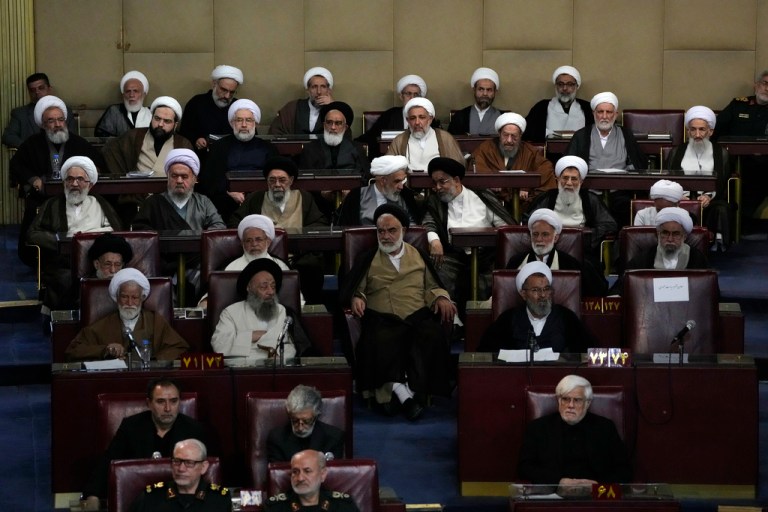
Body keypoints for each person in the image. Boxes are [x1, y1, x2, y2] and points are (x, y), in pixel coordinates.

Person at [340, 204, 457, 420]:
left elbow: (432, 286)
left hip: (416, 316)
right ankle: (406, 396)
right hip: (382, 318)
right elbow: (356, 287)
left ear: (403, 230)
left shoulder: (418, 255)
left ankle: (404, 394)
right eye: (381, 231)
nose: (385, 236)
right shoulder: (368, 258)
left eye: (391, 230)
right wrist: (357, 297)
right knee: (380, 340)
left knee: (431, 335)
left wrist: (441, 297)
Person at [80, 378, 206, 507]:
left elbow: (207, 471)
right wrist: (92, 495)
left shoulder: (194, 430)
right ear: (149, 403)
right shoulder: (131, 427)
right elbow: (108, 463)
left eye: (173, 401)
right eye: (161, 402)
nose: (168, 408)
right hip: (139, 501)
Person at [10, 95, 104, 266]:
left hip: (76, 195)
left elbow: (98, 164)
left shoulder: (78, 143)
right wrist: (33, 179)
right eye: (51, 121)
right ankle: (42, 257)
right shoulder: (32, 144)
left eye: (61, 119)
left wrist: (90, 172)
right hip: (43, 197)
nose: (58, 124)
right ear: (43, 124)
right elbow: (17, 164)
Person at [27, 156, 121, 312]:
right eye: (69, 179)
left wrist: (91, 239)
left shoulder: (101, 204)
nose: (74, 184)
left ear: (90, 185)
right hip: (65, 261)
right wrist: (64, 242)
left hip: (98, 260)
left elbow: (116, 231)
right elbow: (33, 233)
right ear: (64, 183)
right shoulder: (52, 204)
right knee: (65, 279)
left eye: (80, 179)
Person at [230, 156, 328, 303]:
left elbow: (320, 224)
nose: (277, 184)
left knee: (312, 269)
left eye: (282, 180)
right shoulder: (256, 198)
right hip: (262, 257)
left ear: (291, 181)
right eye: (272, 180)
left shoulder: (304, 198)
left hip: (296, 258)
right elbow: (235, 222)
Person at [422, 157, 514, 303]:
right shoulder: (435, 202)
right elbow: (428, 223)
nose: (438, 187)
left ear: (457, 180)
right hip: (454, 257)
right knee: (436, 268)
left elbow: (505, 227)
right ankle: (452, 318)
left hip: (486, 258)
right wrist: (435, 241)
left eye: (442, 181)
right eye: (435, 183)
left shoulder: (482, 196)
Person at [517, 374, 632, 485]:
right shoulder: (538, 428)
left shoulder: (605, 428)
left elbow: (624, 470)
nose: (570, 405)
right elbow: (524, 468)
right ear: (558, 400)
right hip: (553, 495)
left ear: (587, 403)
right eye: (566, 399)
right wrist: (558, 482)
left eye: (577, 400)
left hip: (595, 497)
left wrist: (598, 485)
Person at [65, 268, 189, 361]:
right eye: (124, 297)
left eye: (135, 297)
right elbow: (73, 351)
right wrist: (105, 349)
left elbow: (179, 348)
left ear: (142, 298)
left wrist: (154, 361)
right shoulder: (101, 326)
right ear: (116, 298)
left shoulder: (155, 321)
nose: (129, 303)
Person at [566, 92, 648, 225]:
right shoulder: (581, 136)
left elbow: (638, 164)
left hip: (620, 192)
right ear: (594, 113)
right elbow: (569, 166)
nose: (604, 116)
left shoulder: (626, 135)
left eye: (609, 112)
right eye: (600, 112)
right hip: (588, 192)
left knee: (626, 210)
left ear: (615, 114)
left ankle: (618, 243)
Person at [478, 261, 594, 354]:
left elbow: (591, 352)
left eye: (546, 289)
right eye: (535, 290)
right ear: (523, 294)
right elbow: (485, 354)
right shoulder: (508, 319)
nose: (543, 295)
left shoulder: (567, 318)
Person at [210, 258, 310, 362]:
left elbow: (290, 348)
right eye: (264, 287)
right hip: (243, 372)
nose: (270, 292)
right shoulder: (230, 313)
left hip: (278, 370)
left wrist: (243, 343)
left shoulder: (282, 311)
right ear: (249, 288)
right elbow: (220, 347)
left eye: (273, 286)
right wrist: (251, 336)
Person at [197, 99, 278, 221]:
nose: (244, 125)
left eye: (249, 120)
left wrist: (254, 195)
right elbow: (210, 178)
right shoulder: (219, 147)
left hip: (261, 199)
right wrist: (229, 191)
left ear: (256, 124)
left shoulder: (267, 148)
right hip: (225, 199)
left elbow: (274, 176)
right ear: (232, 123)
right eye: (239, 120)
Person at [667, 106, 732, 248]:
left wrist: (709, 196)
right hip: (681, 200)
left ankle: (718, 246)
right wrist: (679, 196)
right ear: (688, 131)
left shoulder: (721, 154)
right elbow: (669, 180)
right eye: (693, 129)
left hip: (709, 201)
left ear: (711, 131)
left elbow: (721, 181)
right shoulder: (676, 152)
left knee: (721, 208)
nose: (697, 134)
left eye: (702, 129)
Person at [525, 155, 617, 256]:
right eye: (565, 178)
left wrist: (584, 236)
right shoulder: (548, 197)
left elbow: (609, 225)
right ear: (558, 179)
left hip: (582, 249)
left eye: (574, 179)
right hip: (549, 247)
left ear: (581, 182)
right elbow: (529, 220)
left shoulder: (590, 199)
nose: (569, 183)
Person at [506, 209, 607, 297]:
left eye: (545, 234)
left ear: (556, 238)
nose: (539, 239)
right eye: (535, 234)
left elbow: (596, 292)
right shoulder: (516, 262)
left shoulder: (570, 264)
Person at [611, 207, 708, 295]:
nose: (670, 239)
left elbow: (709, 290)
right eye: (665, 233)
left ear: (684, 236)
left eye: (676, 234)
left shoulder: (696, 257)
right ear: (658, 234)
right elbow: (621, 286)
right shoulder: (645, 257)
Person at [471, 112, 556, 211]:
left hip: (524, 203)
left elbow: (545, 168)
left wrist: (527, 186)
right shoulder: (485, 149)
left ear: (520, 135)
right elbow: (476, 168)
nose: (509, 140)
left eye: (514, 136)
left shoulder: (530, 152)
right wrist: (491, 182)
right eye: (505, 135)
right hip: (493, 203)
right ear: (499, 134)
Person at [713, 71, 768, 220]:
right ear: (756, 85)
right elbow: (716, 130)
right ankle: (722, 220)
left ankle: (739, 221)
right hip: (733, 161)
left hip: (762, 164)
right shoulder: (738, 105)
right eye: (765, 84)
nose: (767, 89)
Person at [132, 149, 225, 232]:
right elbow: (140, 230)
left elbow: (218, 226)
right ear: (168, 177)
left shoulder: (203, 202)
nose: (179, 181)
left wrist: (201, 240)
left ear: (194, 179)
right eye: (174, 176)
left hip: (196, 251)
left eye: (184, 177)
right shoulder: (153, 203)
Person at [130, 439, 230, 512]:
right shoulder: (151, 497)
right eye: (177, 461)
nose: (181, 468)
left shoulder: (219, 499)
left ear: (203, 467)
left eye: (189, 463)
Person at [102, 96, 191, 177]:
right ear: (151, 118)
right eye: (157, 118)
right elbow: (109, 150)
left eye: (166, 121)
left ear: (175, 125)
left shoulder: (183, 144)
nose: (160, 124)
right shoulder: (134, 136)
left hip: (169, 193)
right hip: (137, 192)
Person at [355, 74, 439, 158]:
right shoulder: (389, 115)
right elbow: (370, 137)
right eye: (408, 94)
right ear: (401, 96)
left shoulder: (428, 117)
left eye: (416, 94)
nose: (412, 98)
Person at [335, 155, 422, 226]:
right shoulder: (356, 196)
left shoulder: (406, 195)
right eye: (397, 181)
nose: (401, 187)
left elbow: (414, 227)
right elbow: (344, 228)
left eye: (403, 181)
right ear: (383, 181)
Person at [266, 385, 344, 463]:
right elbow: (277, 473)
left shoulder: (334, 438)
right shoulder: (277, 438)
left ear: (316, 416)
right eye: (295, 420)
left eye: (306, 421)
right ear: (289, 415)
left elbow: (334, 473)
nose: (300, 428)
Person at [264, 450, 359, 512]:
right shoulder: (274, 508)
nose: (300, 478)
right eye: (295, 472)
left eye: (307, 471)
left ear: (322, 474)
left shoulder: (343, 506)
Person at [180, 65, 244, 156]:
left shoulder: (239, 107)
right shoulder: (196, 103)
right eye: (223, 90)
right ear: (214, 84)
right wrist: (196, 140)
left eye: (232, 92)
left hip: (233, 158)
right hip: (202, 158)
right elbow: (184, 133)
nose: (227, 96)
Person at [386, 98, 464, 171]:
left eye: (422, 117)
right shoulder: (399, 140)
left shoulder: (444, 138)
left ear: (430, 119)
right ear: (408, 120)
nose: (417, 122)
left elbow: (458, 166)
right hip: (407, 184)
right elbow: (388, 168)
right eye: (413, 118)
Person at [2, 72, 77, 149]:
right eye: (32, 90)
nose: (37, 92)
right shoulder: (20, 113)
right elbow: (8, 137)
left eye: (41, 88)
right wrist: (29, 148)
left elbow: (72, 138)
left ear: (49, 89)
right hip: (31, 156)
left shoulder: (65, 111)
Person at [523, 65, 593, 142]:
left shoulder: (587, 108)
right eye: (560, 84)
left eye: (570, 84)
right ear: (555, 86)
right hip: (548, 153)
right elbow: (527, 133)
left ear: (577, 86)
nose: (565, 88)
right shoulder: (541, 107)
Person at [298, 101, 369, 175]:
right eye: (329, 122)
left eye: (338, 123)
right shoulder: (310, 149)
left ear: (345, 127)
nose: (333, 127)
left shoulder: (357, 149)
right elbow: (305, 179)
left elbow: (364, 178)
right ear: (324, 125)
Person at [269, 67, 335, 135]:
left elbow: (343, 133)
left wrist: (333, 106)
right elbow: (276, 131)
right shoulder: (292, 108)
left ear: (329, 90)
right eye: (314, 87)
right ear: (308, 90)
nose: (319, 91)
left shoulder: (336, 109)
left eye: (323, 87)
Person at [94, 70, 152, 137]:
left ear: (143, 94)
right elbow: (101, 135)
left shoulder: (151, 113)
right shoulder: (114, 111)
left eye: (135, 91)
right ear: (123, 95)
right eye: (128, 91)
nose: (131, 95)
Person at [447, 67, 504, 135]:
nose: (485, 94)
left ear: (495, 92)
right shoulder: (460, 117)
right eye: (481, 89)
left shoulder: (503, 117)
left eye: (489, 90)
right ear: (474, 90)